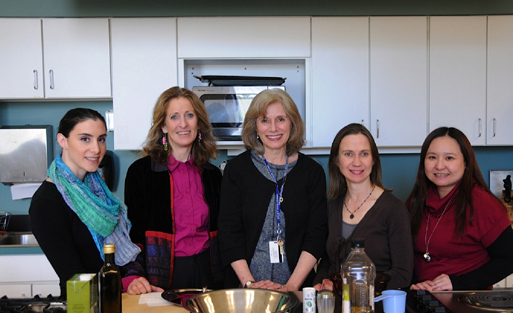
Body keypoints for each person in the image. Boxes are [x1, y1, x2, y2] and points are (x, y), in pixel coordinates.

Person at [219, 88, 328, 291]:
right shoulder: (237, 170)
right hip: (244, 291)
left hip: (297, 290)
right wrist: (250, 285)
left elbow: (316, 235)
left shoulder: (312, 172)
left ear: (292, 123)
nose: (273, 128)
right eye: (265, 120)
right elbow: (229, 234)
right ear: (255, 127)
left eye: (280, 119)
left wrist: (291, 287)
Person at [29, 108, 140, 298]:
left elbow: (116, 254)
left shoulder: (97, 192)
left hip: (116, 299)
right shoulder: (46, 203)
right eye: (85, 139)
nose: (97, 149)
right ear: (63, 140)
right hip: (84, 308)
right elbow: (74, 277)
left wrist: (132, 279)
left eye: (101, 139)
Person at [122, 86, 223, 295]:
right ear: (164, 126)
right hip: (160, 276)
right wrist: (133, 274)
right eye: (174, 117)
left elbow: (223, 231)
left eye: (189, 115)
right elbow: (135, 232)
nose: (183, 124)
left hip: (209, 273)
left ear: (199, 123)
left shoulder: (213, 175)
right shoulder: (141, 173)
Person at [407, 127, 513, 291]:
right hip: (424, 297)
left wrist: (457, 283)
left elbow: (511, 260)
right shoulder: (416, 200)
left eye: (449, 158)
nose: (439, 165)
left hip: (466, 299)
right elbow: (406, 255)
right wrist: (415, 283)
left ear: (466, 162)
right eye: (432, 157)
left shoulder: (482, 203)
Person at [313, 123, 414, 293]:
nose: (357, 162)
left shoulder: (394, 209)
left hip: (376, 309)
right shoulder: (332, 207)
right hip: (335, 309)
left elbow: (402, 274)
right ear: (337, 161)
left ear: (373, 159)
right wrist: (319, 283)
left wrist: (345, 287)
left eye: (364, 154)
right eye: (348, 154)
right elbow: (328, 262)